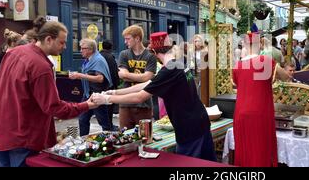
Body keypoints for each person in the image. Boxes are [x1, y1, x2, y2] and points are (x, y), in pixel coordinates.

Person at [92, 32, 216, 161]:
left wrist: (106, 99)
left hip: (189, 127)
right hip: (198, 121)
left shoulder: (169, 70)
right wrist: (114, 92)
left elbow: (140, 97)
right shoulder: (176, 64)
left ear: (154, 52)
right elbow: (147, 84)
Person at [0, 21, 98, 167]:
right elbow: (54, 107)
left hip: (1, 131)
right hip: (23, 137)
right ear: (49, 39)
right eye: (62, 42)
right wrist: (86, 105)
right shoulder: (40, 66)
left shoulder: (14, 52)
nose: (65, 47)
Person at [232, 32, 291, 167]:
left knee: (245, 148)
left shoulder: (238, 66)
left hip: (241, 112)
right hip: (260, 111)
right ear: (260, 44)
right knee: (260, 149)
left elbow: (237, 84)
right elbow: (286, 77)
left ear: (245, 45)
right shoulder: (267, 61)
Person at [69, 39, 113, 136]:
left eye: (83, 48)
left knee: (104, 122)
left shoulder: (98, 60)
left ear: (91, 49)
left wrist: (80, 75)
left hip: (97, 95)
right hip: (88, 94)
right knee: (82, 119)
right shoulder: (88, 60)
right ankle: (83, 141)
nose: (81, 51)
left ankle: (110, 140)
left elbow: (100, 78)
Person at [118, 25, 157, 129]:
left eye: (128, 39)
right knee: (124, 137)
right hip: (125, 103)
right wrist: (142, 77)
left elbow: (148, 78)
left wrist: (128, 75)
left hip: (144, 104)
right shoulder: (124, 54)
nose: (125, 42)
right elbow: (122, 75)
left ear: (137, 38)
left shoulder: (150, 56)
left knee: (144, 136)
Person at [100, 39, 120, 129]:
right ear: (111, 48)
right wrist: (116, 85)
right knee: (109, 107)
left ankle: (106, 125)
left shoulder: (98, 56)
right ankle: (109, 126)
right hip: (109, 85)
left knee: (102, 108)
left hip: (99, 86)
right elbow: (114, 72)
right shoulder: (110, 57)